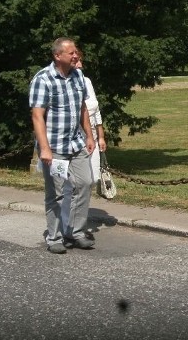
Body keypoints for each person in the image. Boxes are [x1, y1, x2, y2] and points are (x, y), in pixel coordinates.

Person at [30, 38, 96, 254]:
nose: (76, 56)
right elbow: (37, 116)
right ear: (58, 56)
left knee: (84, 183)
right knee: (57, 192)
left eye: (76, 52)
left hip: (76, 143)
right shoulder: (43, 79)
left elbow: (83, 108)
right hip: (55, 147)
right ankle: (55, 237)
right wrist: (45, 148)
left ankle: (75, 233)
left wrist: (89, 135)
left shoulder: (78, 76)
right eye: (71, 53)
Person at [61, 50, 106, 245]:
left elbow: (94, 111)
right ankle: (67, 228)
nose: (79, 64)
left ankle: (77, 224)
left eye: (80, 61)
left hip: (90, 138)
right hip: (71, 137)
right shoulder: (62, 81)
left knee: (89, 181)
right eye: (75, 60)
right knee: (70, 186)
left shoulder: (85, 81)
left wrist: (100, 135)